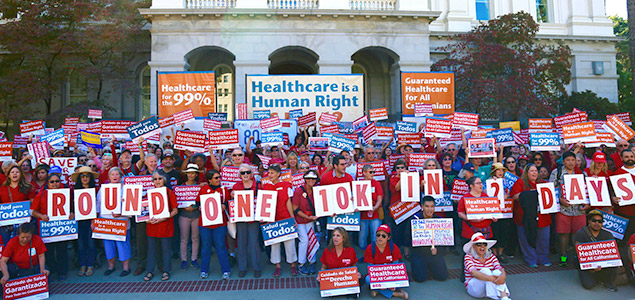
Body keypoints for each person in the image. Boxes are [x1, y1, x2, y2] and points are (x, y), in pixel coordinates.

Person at [30, 173, 73, 281]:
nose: (55, 184)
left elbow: (73, 207)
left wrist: (72, 213)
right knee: (48, 251)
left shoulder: (66, 192)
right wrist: (41, 216)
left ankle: (62, 272)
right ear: (47, 183)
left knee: (62, 250)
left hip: (62, 226)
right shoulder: (42, 193)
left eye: (57, 181)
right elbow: (32, 211)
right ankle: (52, 270)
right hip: (47, 227)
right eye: (52, 182)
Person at [549, 151, 587, 267]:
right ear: (563, 161)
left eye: (572, 160)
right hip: (563, 209)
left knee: (579, 234)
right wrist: (560, 200)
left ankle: (578, 257)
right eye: (568, 160)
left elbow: (588, 190)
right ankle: (563, 256)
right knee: (563, 234)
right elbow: (551, 189)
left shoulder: (582, 173)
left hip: (579, 210)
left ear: (576, 161)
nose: (570, 162)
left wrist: (587, 203)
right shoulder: (557, 172)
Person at [512, 164, 551, 267]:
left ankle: (543, 259)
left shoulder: (543, 183)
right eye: (532, 171)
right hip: (525, 217)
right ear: (526, 173)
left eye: (536, 171)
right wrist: (530, 194)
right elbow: (514, 196)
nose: (534, 173)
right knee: (526, 239)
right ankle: (531, 260)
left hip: (542, 217)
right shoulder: (520, 182)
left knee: (543, 239)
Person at [196, 169, 231, 280]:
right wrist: (199, 207)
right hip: (205, 223)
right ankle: (204, 270)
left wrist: (225, 205)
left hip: (220, 223)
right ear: (210, 180)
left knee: (221, 245)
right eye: (216, 178)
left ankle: (225, 271)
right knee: (206, 247)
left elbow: (229, 202)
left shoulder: (224, 190)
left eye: (219, 177)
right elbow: (197, 202)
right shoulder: (204, 189)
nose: (219, 179)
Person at [264, 164, 298, 277]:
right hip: (273, 219)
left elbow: (289, 202)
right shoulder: (266, 187)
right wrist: (267, 219)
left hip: (285, 217)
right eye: (269, 173)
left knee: (290, 243)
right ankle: (277, 266)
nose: (270, 175)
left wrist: (292, 218)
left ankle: (293, 265)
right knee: (275, 244)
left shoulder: (286, 185)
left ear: (279, 174)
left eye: (272, 173)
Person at [97, 167, 132, 277]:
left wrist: (121, 213)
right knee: (108, 245)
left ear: (121, 176)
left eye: (117, 174)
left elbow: (132, 207)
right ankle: (110, 266)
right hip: (106, 222)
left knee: (123, 244)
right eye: (112, 174)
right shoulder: (103, 189)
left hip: (121, 222)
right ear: (109, 177)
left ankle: (126, 268)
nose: (115, 176)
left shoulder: (126, 189)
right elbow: (98, 205)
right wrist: (96, 220)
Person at [143, 171, 178, 282]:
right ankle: (150, 271)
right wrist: (146, 219)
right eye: (155, 179)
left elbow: (175, 210)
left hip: (165, 225)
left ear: (164, 180)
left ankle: (166, 270)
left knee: (166, 249)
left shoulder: (169, 192)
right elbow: (142, 210)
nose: (157, 181)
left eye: (160, 178)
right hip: (152, 226)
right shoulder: (148, 193)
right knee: (151, 250)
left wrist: (164, 217)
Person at [572, 210, 618, 292]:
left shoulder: (608, 235)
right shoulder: (581, 233)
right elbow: (578, 253)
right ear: (589, 221)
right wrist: (591, 267)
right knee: (589, 285)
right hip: (586, 264)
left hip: (603, 264)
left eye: (600, 221)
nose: (597, 223)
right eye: (594, 221)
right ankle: (594, 276)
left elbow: (612, 253)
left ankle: (606, 281)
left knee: (615, 265)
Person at [232, 164, 263, 278]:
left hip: (254, 218)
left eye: (248, 172)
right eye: (243, 173)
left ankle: (256, 267)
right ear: (239, 175)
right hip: (241, 219)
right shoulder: (236, 186)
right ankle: (242, 267)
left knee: (254, 243)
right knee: (241, 243)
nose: (245, 175)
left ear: (251, 173)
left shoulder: (258, 185)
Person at [409, 196, 449, 283]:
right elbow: (407, 240)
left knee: (442, 276)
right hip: (419, 253)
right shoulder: (415, 220)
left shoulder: (439, 220)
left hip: (434, 253)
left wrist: (438, 250)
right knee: (420, 278)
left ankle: (431, 266)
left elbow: (444, 241)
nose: (430, 209)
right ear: (422, 207)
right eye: (427, 206)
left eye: (432, 206)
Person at [363, 224, 408, 299]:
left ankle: (377, 291)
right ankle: (395, 294)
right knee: (367, 279)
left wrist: (390, 282)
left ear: (388, 237)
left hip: (390, 275)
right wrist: (381, 283)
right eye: (378, 235)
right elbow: (371, 267)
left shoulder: (393, 247)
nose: (380, 238)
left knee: (404, 279)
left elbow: (395, 267)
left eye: (383, 236)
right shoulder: (370, 248)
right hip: (377, 275)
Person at [463, 233, 510, 300]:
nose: (482, 247)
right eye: (479, 244)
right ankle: (495, 297)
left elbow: (500, 268)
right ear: (474, 246)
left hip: (488, 287)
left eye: (484, 244)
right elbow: (473, 273)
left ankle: (504, 297)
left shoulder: (491, 256)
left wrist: (503, 276)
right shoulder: (468, 256)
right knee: (485, 270)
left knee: (497, 272)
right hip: (474, 288)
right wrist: (494, 279)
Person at [71, 166, 99, 277]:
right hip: (79, 220)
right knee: (81, 243)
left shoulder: (96, 190)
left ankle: (91, 265)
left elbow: (98, 206)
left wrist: (94, 220)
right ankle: (83, 264)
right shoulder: (74, 191)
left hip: (91, 220)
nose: (85, 178)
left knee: (91, 243)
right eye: (82, 176)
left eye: (87, 176)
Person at [318, 227, 361, 296]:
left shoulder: (350, 251)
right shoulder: (327, 251)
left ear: (343, 238)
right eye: (333, 235)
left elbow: (353, 267)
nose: (335, 238)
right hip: (332, 280)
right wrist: (320, 275)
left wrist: (357, 273)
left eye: (338, 236)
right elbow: (323, 267)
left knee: (360, 279)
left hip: (345, 279)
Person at [292, 169, 320, 275]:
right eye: (308, 178)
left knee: (313, 239)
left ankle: (312, 261)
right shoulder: (298, 191)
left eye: (313, 178)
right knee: (304, 241)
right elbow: (295, 208)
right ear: (304, 179)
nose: (311, 180)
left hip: (311, 219)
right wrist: (309, 217)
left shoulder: (317, 190)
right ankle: (301, 264)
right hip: (300, 220)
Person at [0, 165, 37, 245]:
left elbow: (33, 203)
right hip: (6, 225)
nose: (15, 174)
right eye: (12, 172)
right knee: (8, 246)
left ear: (21, 174)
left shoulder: (28, 187)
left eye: (17, 172)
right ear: (9, 175)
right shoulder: (2, 189)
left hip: (23, 224)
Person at [458, 176, 495, 252]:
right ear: (471, 186)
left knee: (485, 253)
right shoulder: (465, 197)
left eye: (481, 183)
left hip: (485, 229)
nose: (481, 185)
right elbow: (460, 213)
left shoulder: (486, 196)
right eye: (478, 183)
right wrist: (469, 218)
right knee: (470, 252)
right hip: (471, 229)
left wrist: (494, 217)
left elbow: (492, 210)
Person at [178, 164, 201, 271]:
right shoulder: (180, 187)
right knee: (184, 239)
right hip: (184, 215)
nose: (191, 175)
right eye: (189, 173)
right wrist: (185, 208)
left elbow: (201, 201)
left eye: (193, 173)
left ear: (196, 174)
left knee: (195, 238)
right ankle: (184, 259)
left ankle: (194, 258)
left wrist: (195, 207)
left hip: (196, 215)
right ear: (186, 174)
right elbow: (178, 202)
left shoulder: (200, 187)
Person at [359, 164, 383, 251]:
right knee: (361, 240)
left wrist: (375, 208)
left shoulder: (376, 183)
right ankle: (365, 254)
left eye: (374, 172)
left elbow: (380, 198)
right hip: (363, 216)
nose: (373, 174)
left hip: (375, 215)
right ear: (364, 173)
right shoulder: (359, 184)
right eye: (371, 172)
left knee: (375, 237)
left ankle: (374, 255)